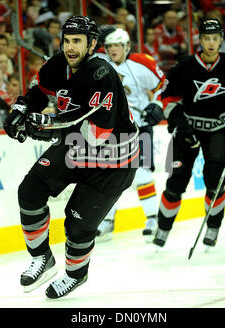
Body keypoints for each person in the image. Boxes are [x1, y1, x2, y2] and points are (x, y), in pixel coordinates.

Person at [3, 16, 139, 299]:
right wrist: (20, 110)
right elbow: (38, 91)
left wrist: (45, 124)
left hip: (114, 160)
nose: (70, 47)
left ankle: (76, 275)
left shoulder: (102, 74)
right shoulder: (58, 64)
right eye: (66, 41)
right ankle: (42, 258)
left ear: (91, 44)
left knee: (76, 226)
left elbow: (96, 134)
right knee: (30, 191)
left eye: (77, 41)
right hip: (76, 147)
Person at [152, 18, 225, 249]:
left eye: (215, 38)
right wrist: (178, 123)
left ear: (221, 39)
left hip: (220, 129)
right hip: (188, 129)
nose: (211, 43)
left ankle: (213, 226)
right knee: (176, 182)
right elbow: (168, 98)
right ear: (200, 39)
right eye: (207, 38)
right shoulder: (184, 66)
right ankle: (163, 228)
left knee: (215, 181)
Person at [96, 28, 165, 241]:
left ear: (127, 46)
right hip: (111, 129)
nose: (113, 50)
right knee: (109, 176)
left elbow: (165, 85)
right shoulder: (98, 62)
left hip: (140, 127)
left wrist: (156, 104)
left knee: (142, 173)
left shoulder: (141, 63)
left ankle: (152, 218)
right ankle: (107, 221)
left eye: (117, 45)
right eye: (109, 46)